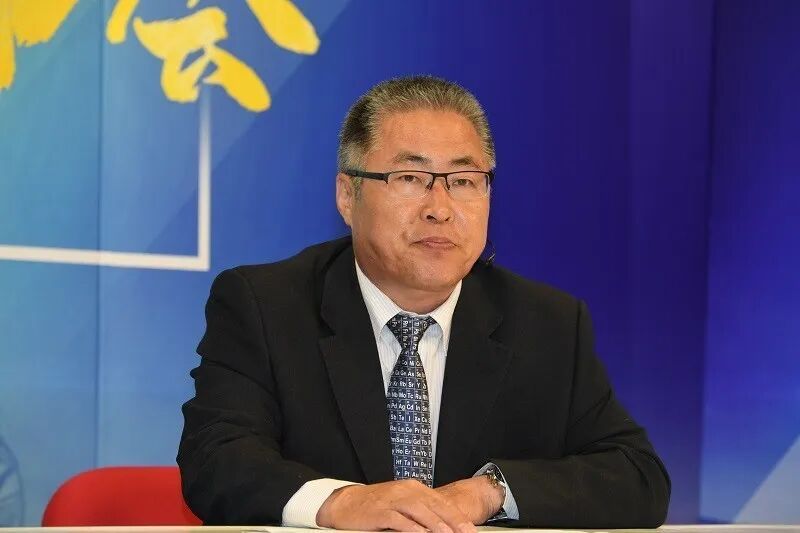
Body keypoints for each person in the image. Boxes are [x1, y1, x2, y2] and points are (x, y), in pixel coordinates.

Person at [177, 75, 670, 530]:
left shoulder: (548, 324)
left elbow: (637, 476)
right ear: (348, 196)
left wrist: (491, 491)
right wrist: (340, 503)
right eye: (410, 178)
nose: (440, 209)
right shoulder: (265, 306)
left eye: (463, 181)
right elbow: (216, 458)